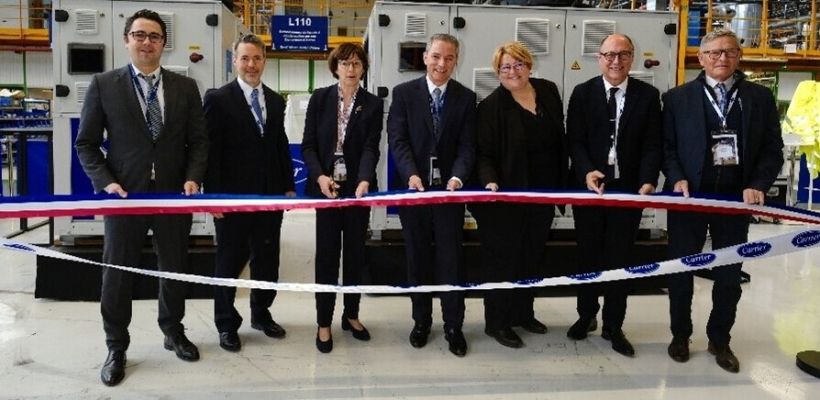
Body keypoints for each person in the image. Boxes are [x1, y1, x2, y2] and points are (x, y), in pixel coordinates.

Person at [74, 9, 209, 386]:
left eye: (154, 36)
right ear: (127, 40)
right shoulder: (104, 85)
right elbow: (86, 143)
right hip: (125, 196)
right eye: (139, 35)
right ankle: (116, 345)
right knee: (117, 273)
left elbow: (199, 141)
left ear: (164, 43)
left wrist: (193, 178)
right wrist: (107, 182)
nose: (146, 42)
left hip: (171, 196)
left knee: (173, 268)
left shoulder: (185, 88)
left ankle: (173, 331)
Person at [663, 29, 783, 373]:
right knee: (680, 271)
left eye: (729, 51)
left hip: (735, 199)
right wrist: (676, 179)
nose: (721, 58)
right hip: (689, 198)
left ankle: (720, 338)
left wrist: (758, 184)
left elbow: (772, 150)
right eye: (713, 53)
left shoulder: (759, 98)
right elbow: (668, 148)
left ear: (739, 56)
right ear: (700, 59)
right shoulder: (677, 98)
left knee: (729, 274)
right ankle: (680, 335)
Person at [566, 33, 662, 357]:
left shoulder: (648, 96)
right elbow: (574, 141)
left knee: (620, 259)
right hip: (592, 188)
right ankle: (586, 315)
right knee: (587, 256)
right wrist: (585, 171)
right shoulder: (582, 94)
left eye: (622, 55)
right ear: (599, 58)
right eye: (609, 55)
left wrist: (648, 180)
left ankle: (613, 324)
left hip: (628, 191)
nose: (615, 61)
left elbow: (652, 144)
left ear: (631, 58)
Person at [203, 34, 295, 353]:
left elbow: (279, 145)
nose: (251, 65)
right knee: (228, 262)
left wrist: (287, 186)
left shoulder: (275, 100)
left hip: (270, 197)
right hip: (232, 199)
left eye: (256, 58)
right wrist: (212, 197)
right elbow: (210, 152)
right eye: (245, 58)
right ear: (235, 61)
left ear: (264, 61)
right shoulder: (217, 99)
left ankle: (261, 313)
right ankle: (226, 324)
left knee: (267, 259)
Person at [472, 41, 566, 349]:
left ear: (529, 65)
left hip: (543, 194)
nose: (513, 72)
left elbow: (559, 139)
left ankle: (524, 313)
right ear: (497, 72)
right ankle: (497, 322)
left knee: (531, 255)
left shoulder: (548, 91)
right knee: (502, 260)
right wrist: (489, 183)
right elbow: (484, 154)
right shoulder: (489, 108)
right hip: (505, 199)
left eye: (519, 65)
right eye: (505, 67)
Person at [387, 33, 476, 357]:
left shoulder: (466, 98)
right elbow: (397, 140)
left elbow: (468, 146)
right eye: (436, 56)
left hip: (450, 196)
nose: (442, 63)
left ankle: (454, 325)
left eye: (449, 58)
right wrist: (411, 174)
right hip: (415, 193)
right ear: (425, 57)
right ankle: (421, 321)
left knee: (452, 261)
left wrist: (457, 177)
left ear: (456, 61)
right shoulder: (404, 94)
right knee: (418, 259)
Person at [301, 43, 383, 353]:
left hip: (356, 190)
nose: (351, 69)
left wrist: (363, 179)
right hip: (326, 188)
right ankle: (324, 322)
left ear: (363, 69)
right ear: (335, 67)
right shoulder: (320, 99)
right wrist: (320, 176)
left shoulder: (373, 104)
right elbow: (308, 146)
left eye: (357, 64)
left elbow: (371, 148)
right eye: (346, 63)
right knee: (326, 256)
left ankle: (351, 315)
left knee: (355, 255)